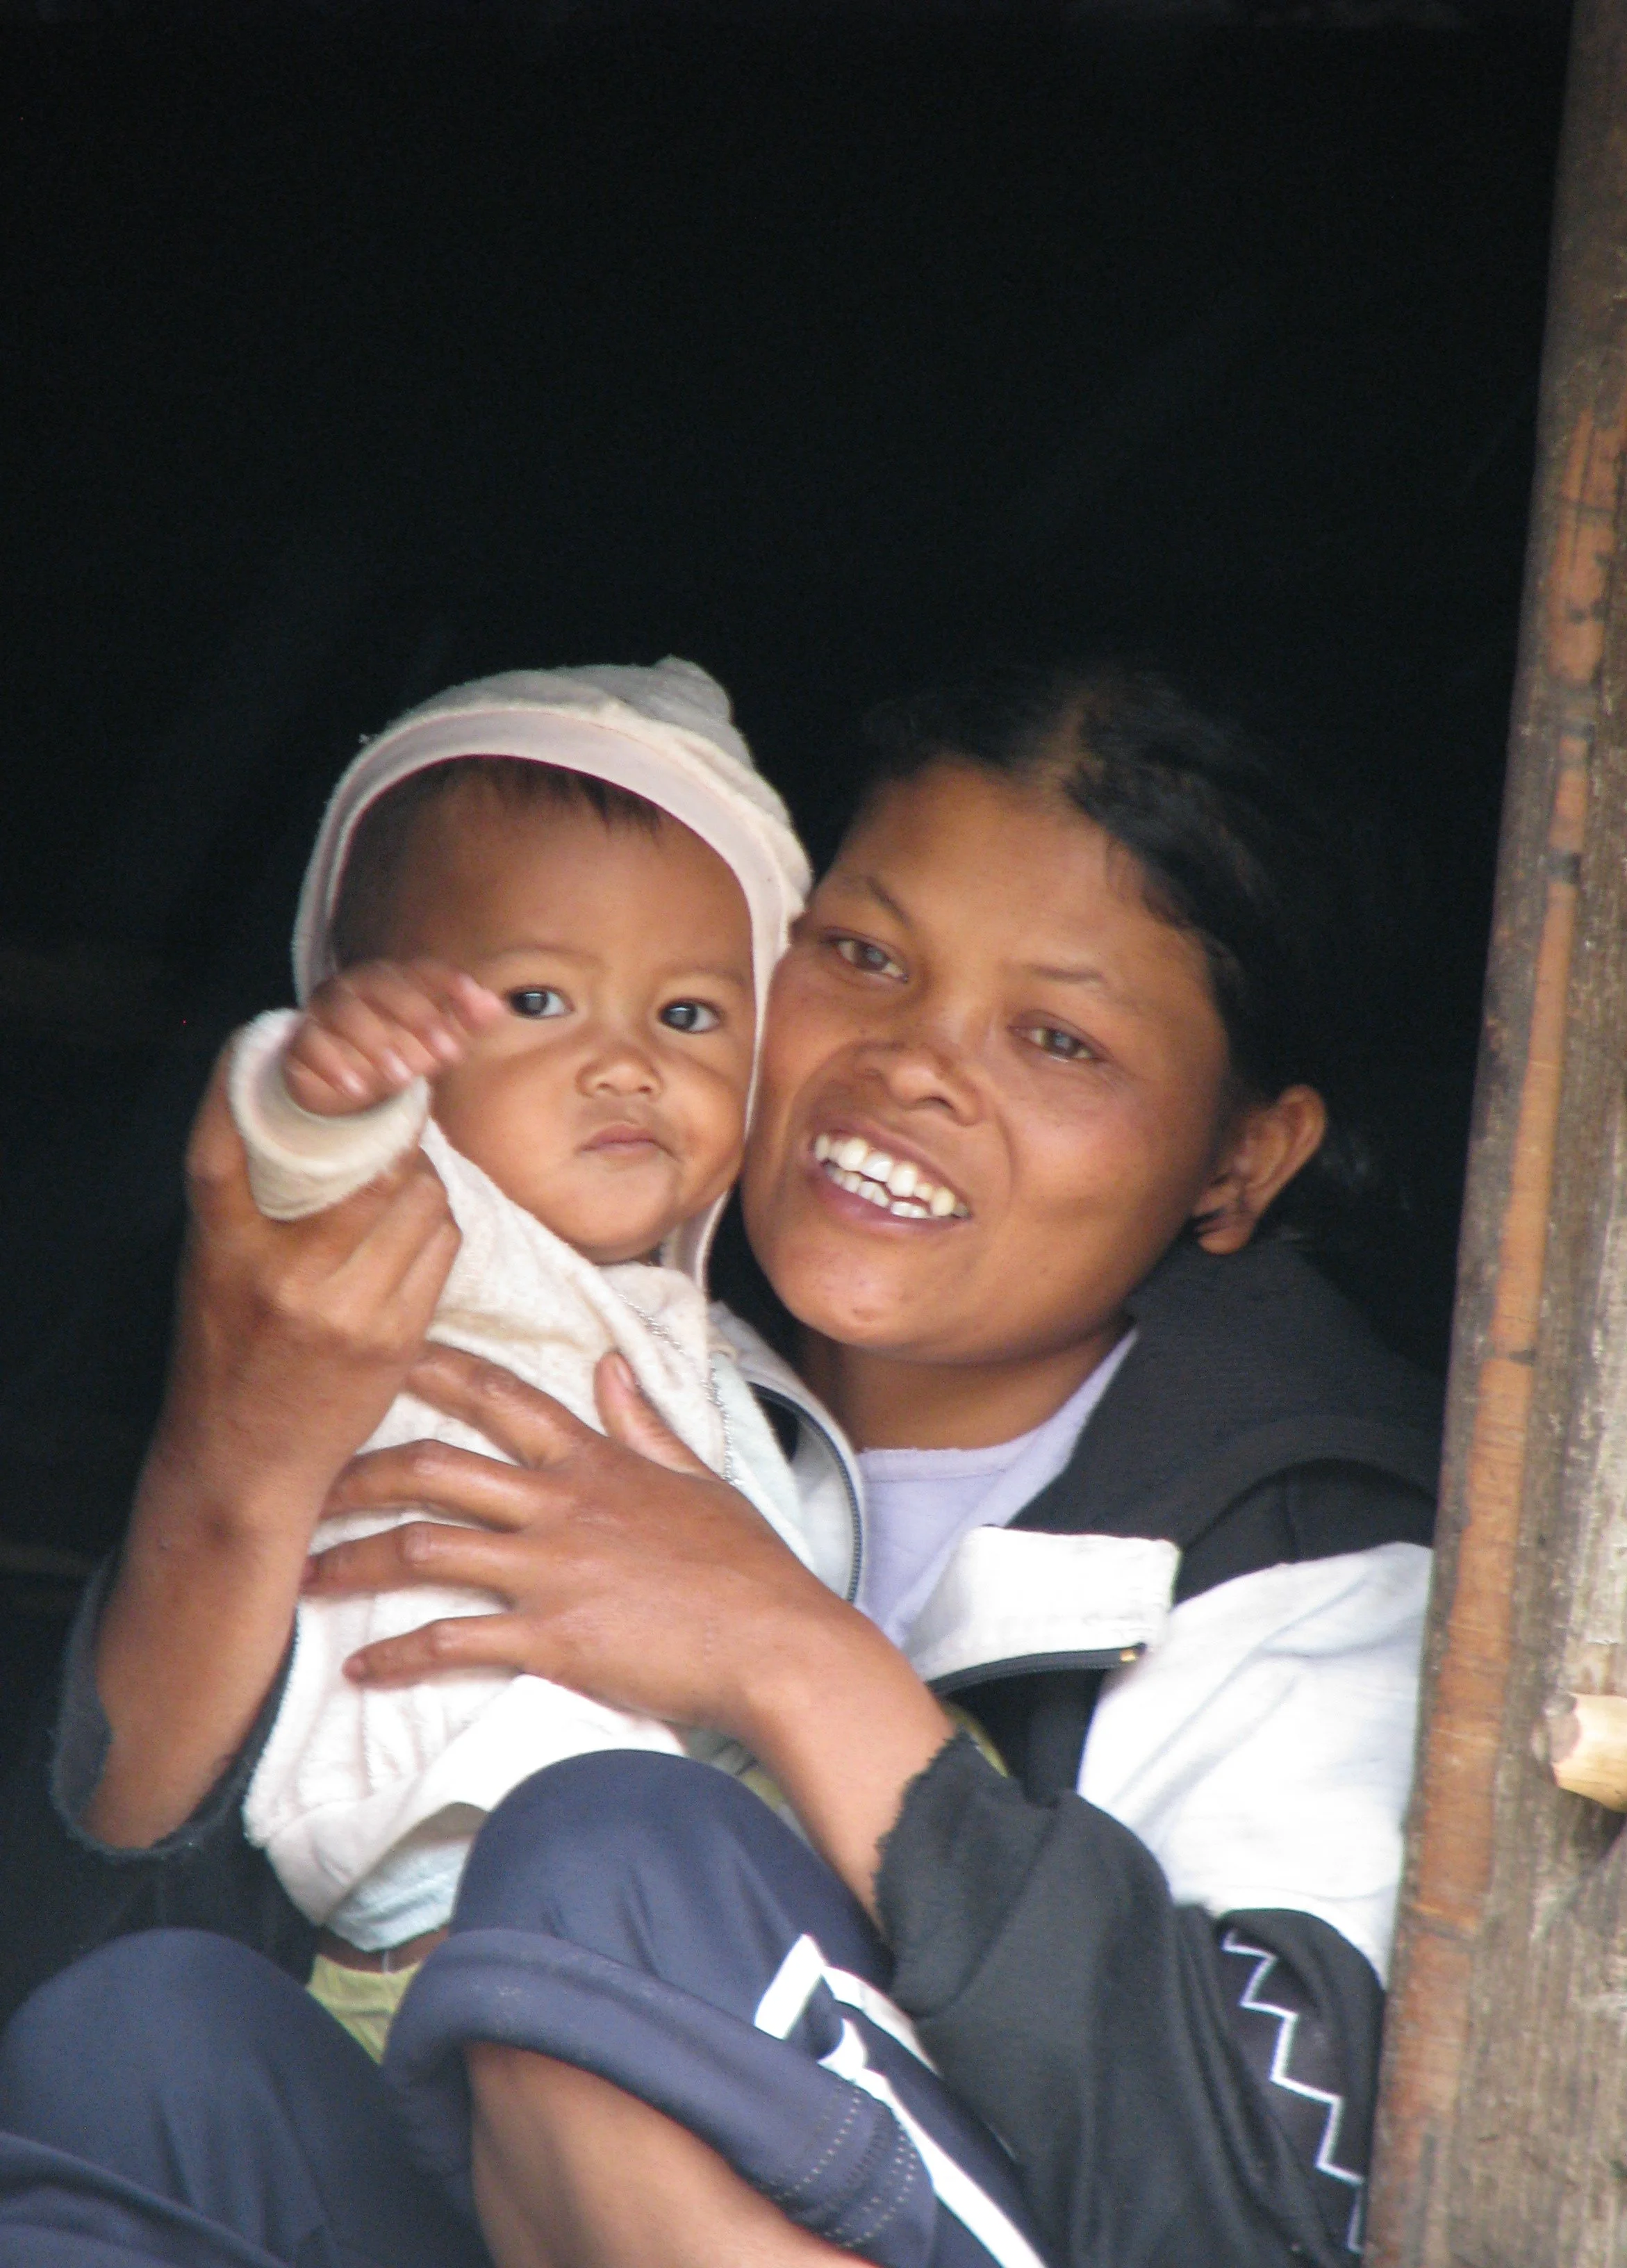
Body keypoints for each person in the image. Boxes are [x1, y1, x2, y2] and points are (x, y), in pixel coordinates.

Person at [0, 664, 1440, 2268]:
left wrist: (779, 1651)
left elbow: (1280, 2204)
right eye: (864, 956)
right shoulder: (577, 1352)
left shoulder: (1305, 1554)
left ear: (1244, 1157)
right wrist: (239, 1452)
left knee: (616, 1850)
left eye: (1057, 1037)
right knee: (142, 2038)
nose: (912, 1063)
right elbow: (97, 1931)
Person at [219, 658, 848, 2032]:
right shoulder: (420, 1238)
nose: (628, 1064)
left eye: (689, 1017)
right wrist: (326, 1088)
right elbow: (293, 1171)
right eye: (538, 1001)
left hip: (670, 1932)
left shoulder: (726, 1362)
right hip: (439, 1916)